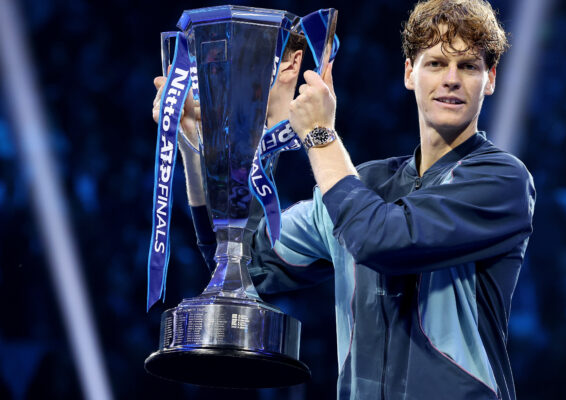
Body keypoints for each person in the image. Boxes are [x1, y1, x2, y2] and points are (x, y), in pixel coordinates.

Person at [152, 0, 535, 398]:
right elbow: (244, 265)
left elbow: (381, 240)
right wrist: (198, 149)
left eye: (468, 66)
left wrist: (320, 135)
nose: (451, 79)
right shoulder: (363, 182)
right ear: (409, 72)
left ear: (490, 79)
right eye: (436, 63)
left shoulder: (501, 181)